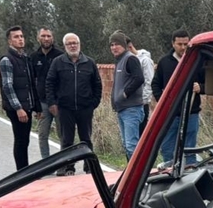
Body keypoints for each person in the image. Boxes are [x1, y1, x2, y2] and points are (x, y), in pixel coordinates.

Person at [44, 33, 102, 176]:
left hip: (85, 108)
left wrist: (94, 103)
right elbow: (50, 83)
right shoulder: (58, 62)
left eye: (75, 42)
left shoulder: (89, 62)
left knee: (86, 139)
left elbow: (97, 84)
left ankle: (89, 167)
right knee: (66, 140)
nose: (73, 45)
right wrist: (52, 103)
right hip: (65, 108)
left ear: (79, 44)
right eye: (69, 43)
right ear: (65, 46)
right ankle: (67, 167)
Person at [151, 29, 203, 165]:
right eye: (180, 44)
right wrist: (162, 101)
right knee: (168, 147)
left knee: (190, 148)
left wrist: (201, 88)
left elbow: (208, 81)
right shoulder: (164, 62)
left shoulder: (196, 61)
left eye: (186, 44)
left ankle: (190, 173)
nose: (183, 47)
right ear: (173, 44)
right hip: (170, 113)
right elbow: (155, 84)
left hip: (192, 112)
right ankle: (169, 173)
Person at [0, 25, 40, 171]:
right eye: (16, 37)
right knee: (21, 140)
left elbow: (30, 84)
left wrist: (36, 107)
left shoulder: (25, 58)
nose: (20, 39)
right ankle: (22, 172)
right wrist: (18, 108)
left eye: (21, 36)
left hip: (27, 105)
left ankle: (25, 170)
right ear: (10, 41)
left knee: (25, 140)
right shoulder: (7, 60)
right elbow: (7, 86)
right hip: (17, 108)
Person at [108, 30, 144, 161]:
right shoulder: (120, 60)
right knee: (126, 145)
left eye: (117, 44)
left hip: (132, 109)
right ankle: (131, 175)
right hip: (122, 109)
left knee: (131, 146)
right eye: (111, 45)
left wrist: (124, 94)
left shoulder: (130, 59)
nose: (114, 47)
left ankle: (138, 176)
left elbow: (139, 78)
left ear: (124, 45)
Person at [30, 28, 64, 161]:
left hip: (59, 102)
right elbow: (31, 81)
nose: (46, 38)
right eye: (43, 36)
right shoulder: (33, 57)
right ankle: (46, 162)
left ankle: (63, 162)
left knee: (63, 134)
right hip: (42, 103)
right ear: (38, 38)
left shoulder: (60, 55)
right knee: (43, 134)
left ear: (53, 38)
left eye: (48, 36)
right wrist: (34, 105)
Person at [127, 38, 154, 134]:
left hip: (141, 103)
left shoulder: (145, 61)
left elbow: (149, 81)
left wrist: (143, 100)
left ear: (129, 47)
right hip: (130, 104)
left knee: (141, 133)